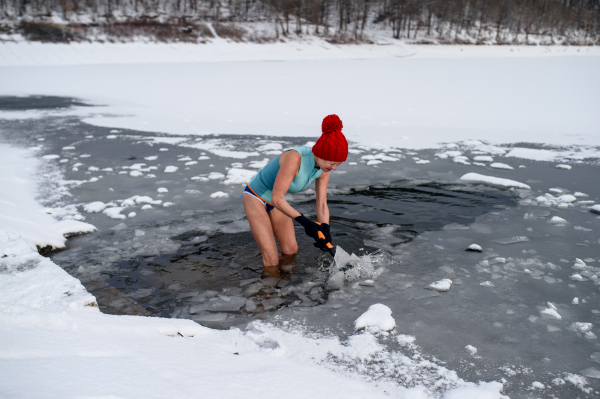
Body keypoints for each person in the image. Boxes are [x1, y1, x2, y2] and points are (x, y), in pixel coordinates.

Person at [244, 114, 348, 275]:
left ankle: (285, 288)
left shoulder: (324, 169)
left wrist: (325, 228)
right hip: (256, 197)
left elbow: (321, 204)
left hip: (276, 202)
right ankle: (268, 295)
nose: (334, 168)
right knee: (271, 259)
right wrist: (307, 223)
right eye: (333, 163)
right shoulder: (295, 158)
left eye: (338, 164)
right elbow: (277, 198)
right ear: (321, 154)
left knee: (291, 250)